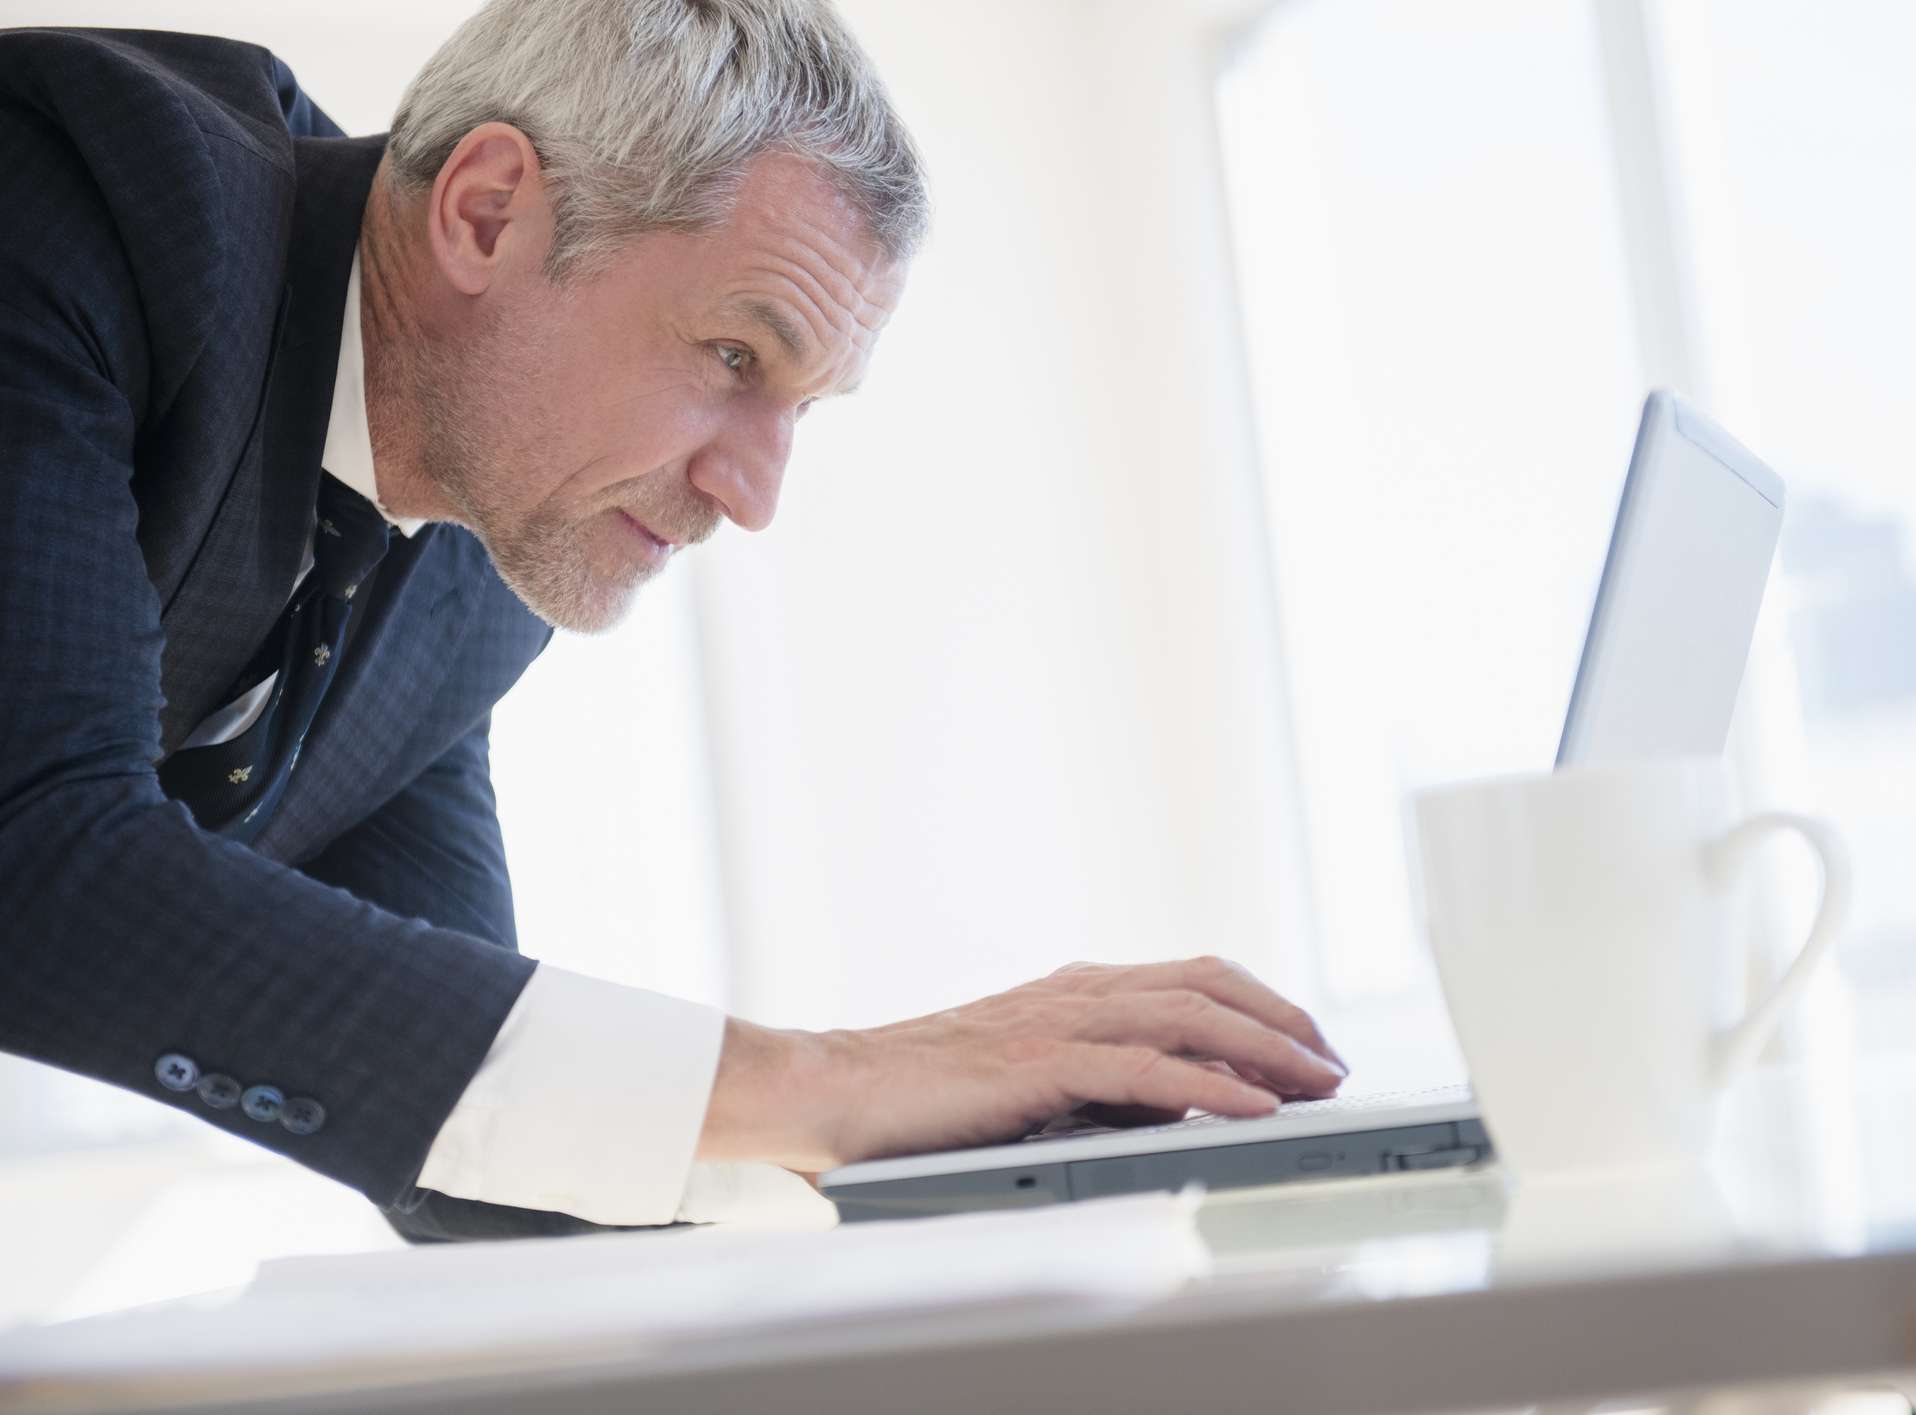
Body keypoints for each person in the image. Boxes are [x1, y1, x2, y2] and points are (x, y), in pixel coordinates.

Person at [0, 0, 1349, 1244]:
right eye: (733, 358)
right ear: (484, 212)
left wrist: (972, 1190)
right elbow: (37, 857)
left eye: (800, 409)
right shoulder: (75, 197)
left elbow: (474, 1134)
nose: (753, 495)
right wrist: (825, 1079)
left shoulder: (471, 580)